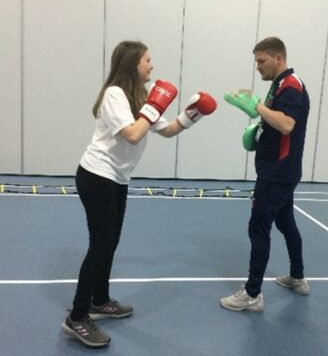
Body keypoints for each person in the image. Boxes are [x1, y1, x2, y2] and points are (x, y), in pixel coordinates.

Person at [61, 40, 217, 347]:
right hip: (96, 175)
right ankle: (77, 317)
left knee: (111, 242)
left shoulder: (140, 97)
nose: (152, 65)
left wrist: (192, 114)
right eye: (147, 60)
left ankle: (100, 300)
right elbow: (133, 135)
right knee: (101, 244)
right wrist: (154, 106)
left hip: (117, 179)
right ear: (132, 63)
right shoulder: (115, 95)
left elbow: (168, 130)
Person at [220, 36, 310, 312]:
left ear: (278, 58)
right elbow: (273, 121)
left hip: (277, 173)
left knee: (258, 227)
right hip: (281, 170)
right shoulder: (279, 85)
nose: (257, 66)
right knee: (286, 223)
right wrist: (257, 129)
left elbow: (286, 125)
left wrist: (256, 106)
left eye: (262, 61)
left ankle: (252, 294)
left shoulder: (291, 87)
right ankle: (297, 278)